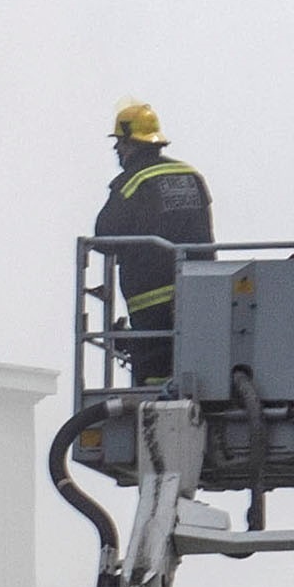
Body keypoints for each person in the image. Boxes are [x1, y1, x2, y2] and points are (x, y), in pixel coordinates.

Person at [90, 101, 212, 384]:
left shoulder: (132, 182)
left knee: (153, 382)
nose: (116, 150)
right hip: (202, 295)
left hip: (152, 302)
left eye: (119, 142)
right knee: (196, 372)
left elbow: (103, 237)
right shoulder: (191, 176)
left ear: (131, 144)